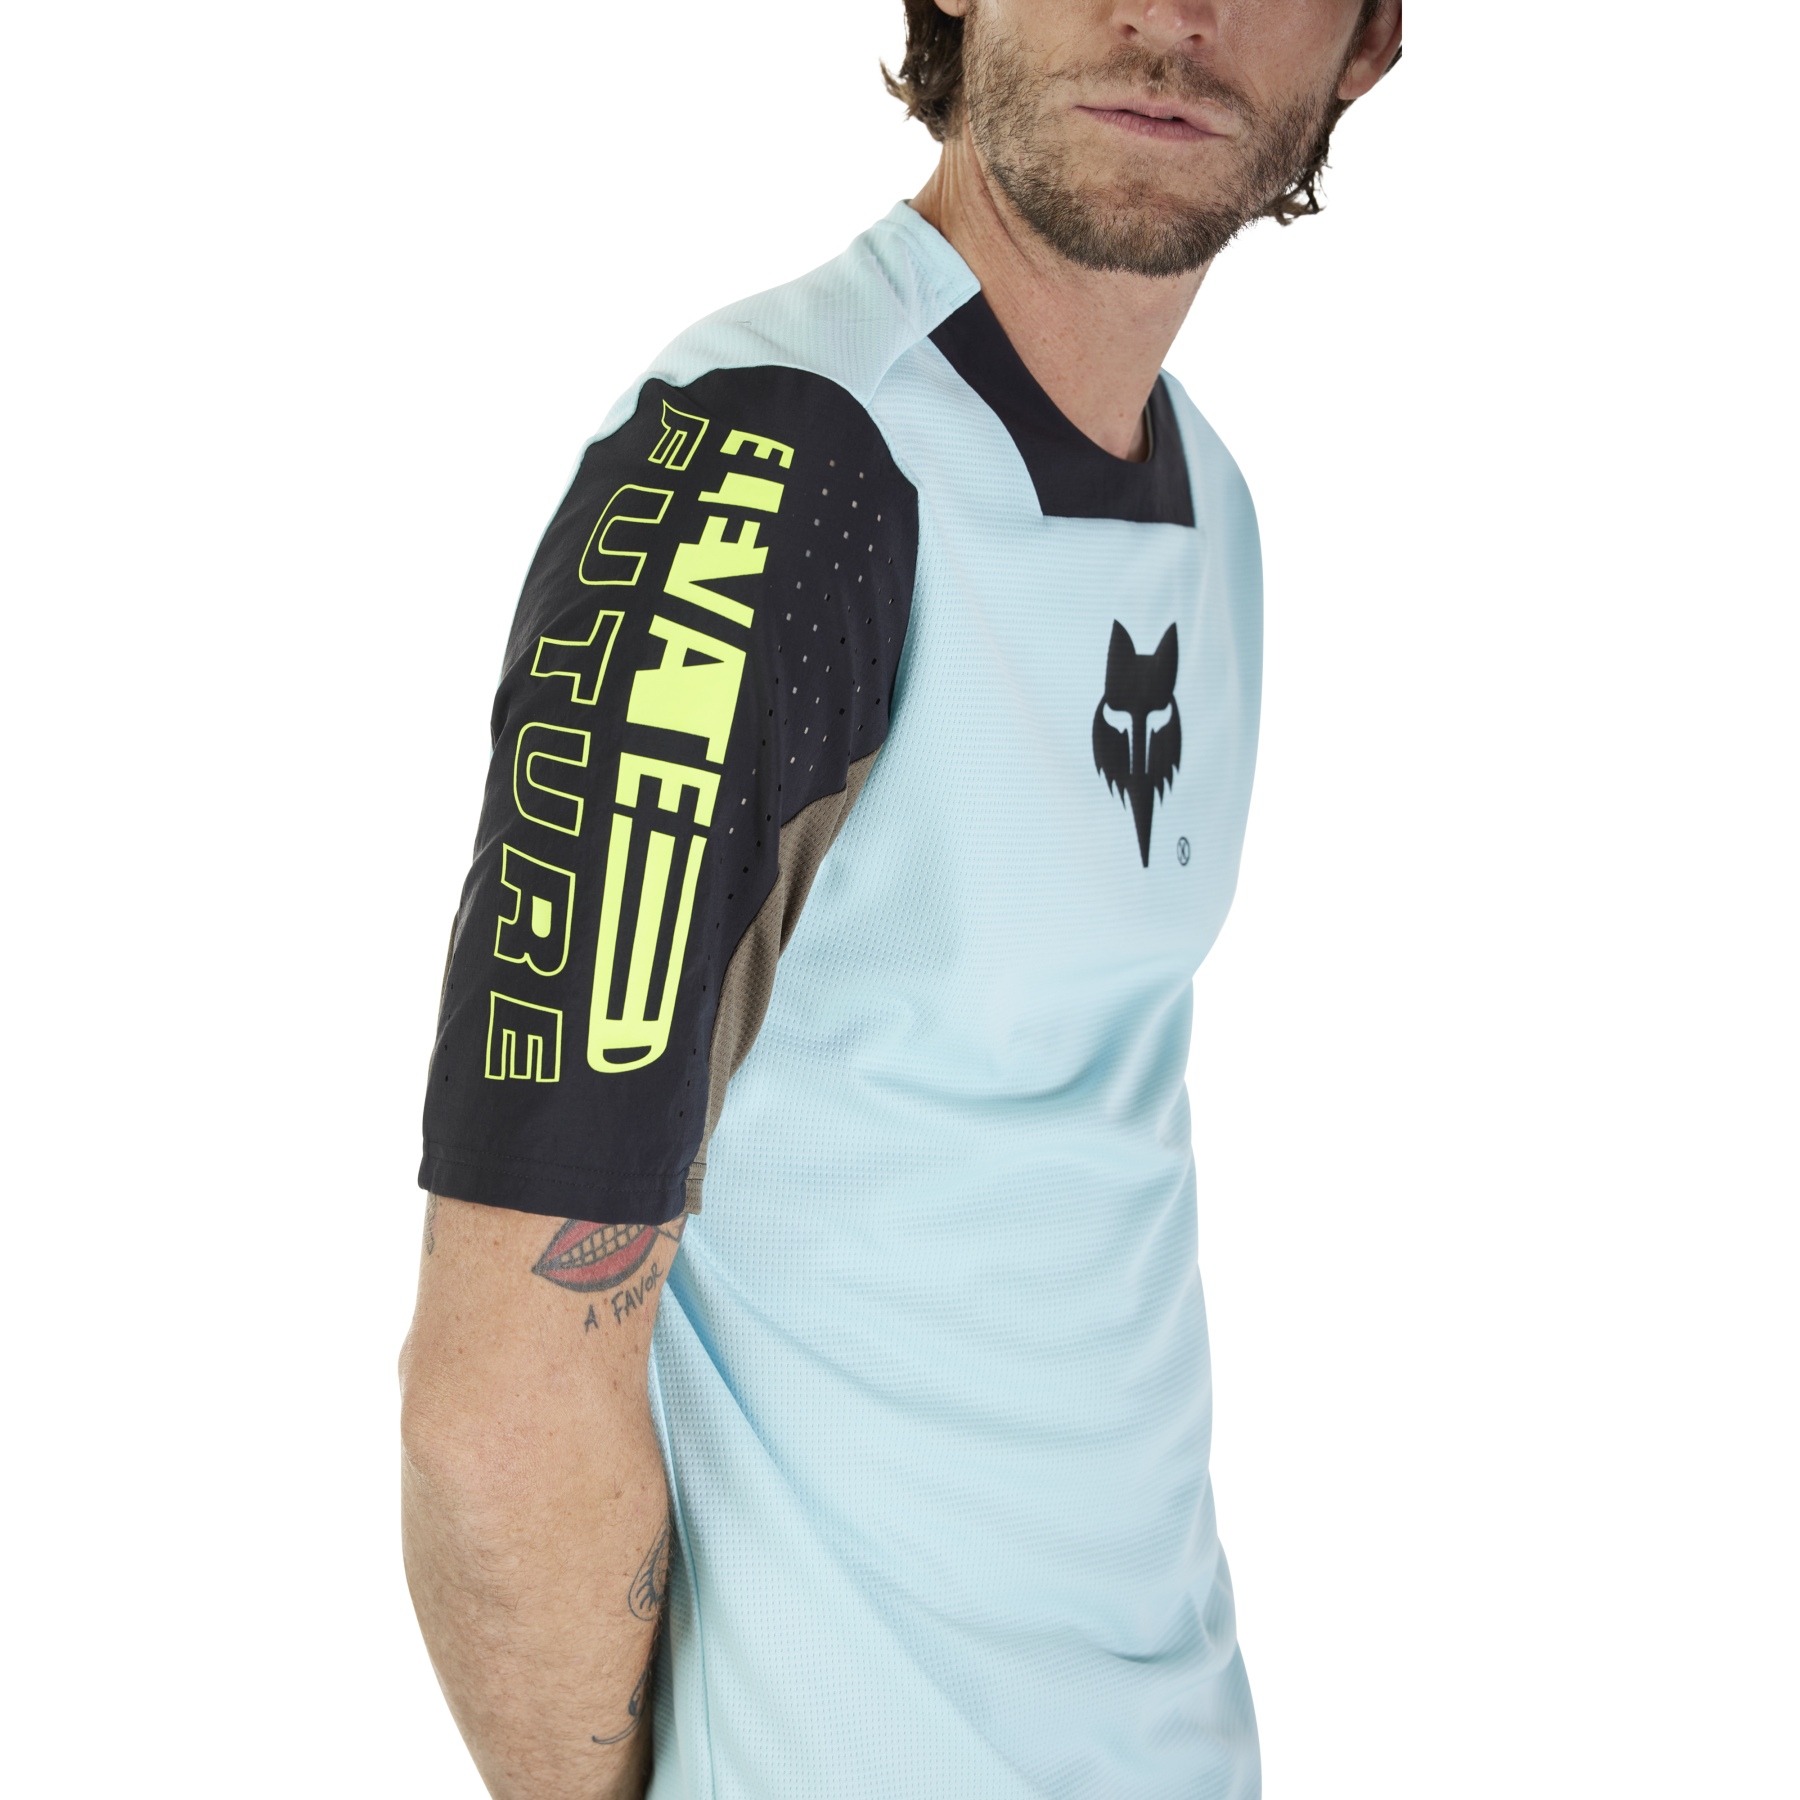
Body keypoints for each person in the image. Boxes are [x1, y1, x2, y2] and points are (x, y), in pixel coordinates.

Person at [399, 1, 1402, 1793]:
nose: (1171, 17)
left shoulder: (1212, 500)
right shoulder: (769, 474)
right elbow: (499, 1400)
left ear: (1370, 39)